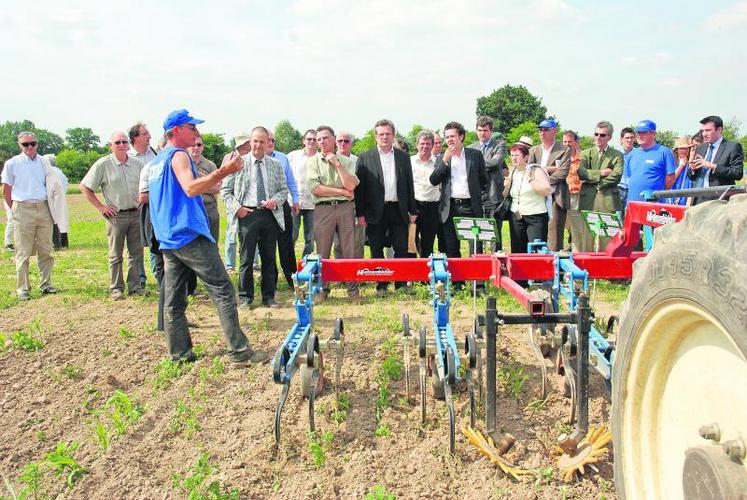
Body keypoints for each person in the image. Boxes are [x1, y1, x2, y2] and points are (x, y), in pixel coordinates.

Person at [148, 108, 268, 366]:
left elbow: (183, 189)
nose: (197, 132)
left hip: (168, 239)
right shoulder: (179, 155)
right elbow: (191, 188)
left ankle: (179, 354)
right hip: (189, 234)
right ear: (176, 131)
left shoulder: (157, 161)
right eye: (192, 128)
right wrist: (223, 172)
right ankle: (239, 352)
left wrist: (221, 179)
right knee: (223, 290)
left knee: (174, 299)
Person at [221, 126, 288, 308]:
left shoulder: (275, 165)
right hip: (247, 215)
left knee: (268, 258)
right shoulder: (238, 163)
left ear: (268, 143)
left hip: (269, 215)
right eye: (255, 141)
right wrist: (238, 209)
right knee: (246, 259)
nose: (258, 145)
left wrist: (275, 201)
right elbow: (225, 191)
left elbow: (283, 189)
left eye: (262, 141)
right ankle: (245, 298)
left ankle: (269, 297)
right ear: (250, 142)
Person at [80, 132, 146, 300]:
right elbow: (85, 187)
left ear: (129, 144)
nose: (122, 145)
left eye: (124, 141)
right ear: (111, 145)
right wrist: (101, 206)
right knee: (115, 254)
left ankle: (135, 286)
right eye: (118, 142)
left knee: (136, 253)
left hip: (136, 213)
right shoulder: (103, 164)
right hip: (116, 216)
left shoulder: (138, 164)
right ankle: (116, 288)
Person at [355, 119, 416, 296]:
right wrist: (360, 214)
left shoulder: (403, 157)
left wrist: (413, 210)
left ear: (393, 135)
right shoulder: (365, 157)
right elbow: (360, 190)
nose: (384, 137)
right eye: (381, 134)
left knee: (401, 247)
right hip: (374, 211)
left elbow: (409, 185)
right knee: (376, 249)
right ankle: (381, 285)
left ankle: (401, 283)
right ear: (376, 136)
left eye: (388, 134)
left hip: (398, 209)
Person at [2, 132, 62, 300]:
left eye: (32, 143)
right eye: (25, 144)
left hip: (43, 207)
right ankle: (23, 288)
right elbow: (6, 189)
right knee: (23, 250)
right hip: (22, 207)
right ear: (19, 145)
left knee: (46, 249)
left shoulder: (44, 162)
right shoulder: (12, 163)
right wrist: (14, 208)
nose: (30, 147)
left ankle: (46, 284)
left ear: (37, 144)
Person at [306, 125, 360, 303]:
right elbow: (315, 189)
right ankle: (322, 289)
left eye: (325, 138)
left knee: (349, 249)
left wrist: (337, 164)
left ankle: (353, 291)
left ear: (333, 139)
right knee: (322, 250)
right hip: (323, 209)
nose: (321, 142)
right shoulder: (313, 161)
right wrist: (342, 192)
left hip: (345, 209)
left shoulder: (346, 161)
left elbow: (351, 185)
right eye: (318, 139)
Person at [429, 121, 488, 268]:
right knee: (451, 247)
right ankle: (457, 282)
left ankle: (478, 284)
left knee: (476, 245)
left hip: (471, 207)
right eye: (447, 137)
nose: (449, 139)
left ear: (461, 136)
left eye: (452, 136)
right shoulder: (441, 158)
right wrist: (445, 160)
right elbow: (433, 180)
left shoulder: (475, 155)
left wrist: (475, 195)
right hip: (450, 208)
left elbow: (483, 180)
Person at [576, 121, 624, 251]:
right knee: (587, 236)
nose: (598, 137)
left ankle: (605, 267)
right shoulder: (586, 153)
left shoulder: (617, 155)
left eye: (602, 135)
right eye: (596, 134)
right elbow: (581, 173)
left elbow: (616, 176)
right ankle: (586, 265)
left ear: (609, 137)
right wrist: (602, 173)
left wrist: (596, 182)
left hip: (607, 198)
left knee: (607, 236)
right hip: (588, 199)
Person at [528, 119, 570, 251]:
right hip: (537, 196)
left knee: (554, 236)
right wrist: (549, 169)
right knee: (538, 234)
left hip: (555, 197)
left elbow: (562, 173)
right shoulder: (534, 150)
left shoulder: (564, 150)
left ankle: (555, 264)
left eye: (546, 130)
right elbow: (530, 171)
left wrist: (543, 176)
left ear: (554, 131)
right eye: (540, 130)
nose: (542, 132)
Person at [504, 142, 552, 254]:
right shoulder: (514, 172)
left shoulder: (535, 170)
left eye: (517, 155)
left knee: (536, 251)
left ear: (526, 157)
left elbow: (546, 190)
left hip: (535, 217)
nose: (513, 158)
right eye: (512, 155)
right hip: (516, 216)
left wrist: (531, 180)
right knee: (518, 251)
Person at [266, 130, 299, 288]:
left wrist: (296, 199)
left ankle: (292, 280)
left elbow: (290, 181)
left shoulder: (282, 158)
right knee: (268, 246)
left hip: (283, 204)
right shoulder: (252, 159)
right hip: (264, 208)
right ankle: (271, 281)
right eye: (268, 140)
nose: (271, 142)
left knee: (286, 245)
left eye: (273, 140)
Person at [468, 116, 506, 251]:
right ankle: (476, 262)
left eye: (485, 130)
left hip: (493, 195)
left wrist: (475, 163)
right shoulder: (470, 148)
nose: (482, 133)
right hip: (476, 195)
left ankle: (496, 263)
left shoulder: (499, 145)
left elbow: (496, 163)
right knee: (475, 231)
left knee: (494, 232)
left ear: (491, 131)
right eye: (479, 130)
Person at [688, 115, 744, 205]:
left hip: (719, 200)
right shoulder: (701, 148)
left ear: (719, 130)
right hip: (698, 199)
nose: (704, 134)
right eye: (703, 131)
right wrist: (693, 169)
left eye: (708, 130)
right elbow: (691, 177)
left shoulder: (732, 147)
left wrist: (712, 166)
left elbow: (737, 173)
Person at [128, 122, 157, 287]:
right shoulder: (128, 157)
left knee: (155, 239)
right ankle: (140, 278)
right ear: (135, 138)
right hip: (135, 206)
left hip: (153, 206)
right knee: (137, 244)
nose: (149, 137)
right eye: (145, 134)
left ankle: (158, 273)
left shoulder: (154, 154)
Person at [624, 120, 676, 204]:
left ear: (653, 134)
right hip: (632, 204)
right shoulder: (632, 154)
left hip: (653, 206)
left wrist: (658, 194)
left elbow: (671, 178)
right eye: (638, 132)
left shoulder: (664, 152)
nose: (639, 136)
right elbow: (631, 178)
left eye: (643, 132)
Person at [222, 133, 252, 273]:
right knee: (231, 233)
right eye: (247, 143)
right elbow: (225, 185)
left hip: (248, 202)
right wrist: (235, 205)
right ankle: (230, 265)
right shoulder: (230, 158)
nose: (248, 145)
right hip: (233, 202)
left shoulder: (251, 158)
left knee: (250, 234)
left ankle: (253, 263)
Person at [333, 130, 365, 259]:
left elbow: (362, 187)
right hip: (335, 207)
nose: (343, 144)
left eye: (346, 141)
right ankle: (340, 277)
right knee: (338, 244)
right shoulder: (329, 159)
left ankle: (357, 276)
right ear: (335, 142)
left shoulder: (359, 161)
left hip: (355, 207)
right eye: (340, 141)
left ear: (351, 143)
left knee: (357, 242)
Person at [287, 130, 318, 258]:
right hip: (294, 202)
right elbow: (285, 176)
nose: (311, 141)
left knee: (310, 237)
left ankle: (306, 263)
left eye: (314, 139)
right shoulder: (293, 156)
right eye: (309, 139)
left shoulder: (321, 157)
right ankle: (289, 264)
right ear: (303, 140)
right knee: (292, 235)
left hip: (313, 203)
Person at [411, 130, 441, 257]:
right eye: (422, 143)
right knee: (410, 244)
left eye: (428, 144)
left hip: (432, 208)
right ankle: (411, 274)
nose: (425, 146)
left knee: (428, 244)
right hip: (414, 207)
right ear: (417, 145)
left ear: (433, 145)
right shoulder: (409, 162)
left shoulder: (439, 162)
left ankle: (425, 276)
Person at [562, 131, 583, 252]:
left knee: (576, 225)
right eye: (564, 141)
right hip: (560, 194)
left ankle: (577, 251)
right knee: (561, 224)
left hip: (575, 194)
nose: (567, 144)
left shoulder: (582, 157)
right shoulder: (558, 156)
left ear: (576, 142)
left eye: (569, 141)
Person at [44, 154, 70, 249]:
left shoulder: (49, 171)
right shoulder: (59, 171)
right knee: (62, 219)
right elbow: (66, 182)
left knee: (53, 219)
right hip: (60, 197)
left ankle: (55, 243)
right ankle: (64, 243)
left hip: (52, 198)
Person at [617, 127, 636, 218]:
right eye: (627, 138)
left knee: (629, 217)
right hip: (618, 188)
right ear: (621, 139)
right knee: (617, 216)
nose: (629, 140)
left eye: (632, 137)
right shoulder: (615, 153)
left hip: (632, 189)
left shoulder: (638, 154)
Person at [670, 136, 694, 206]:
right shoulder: (671, 163)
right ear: (676, 150)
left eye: (686, 148)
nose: (684, 151)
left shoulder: (690, 165)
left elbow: (691, 187)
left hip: (685, 203)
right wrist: (681, 166)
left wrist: (687, 206)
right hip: (670, 201)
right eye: (681, 148)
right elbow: (671, 179)